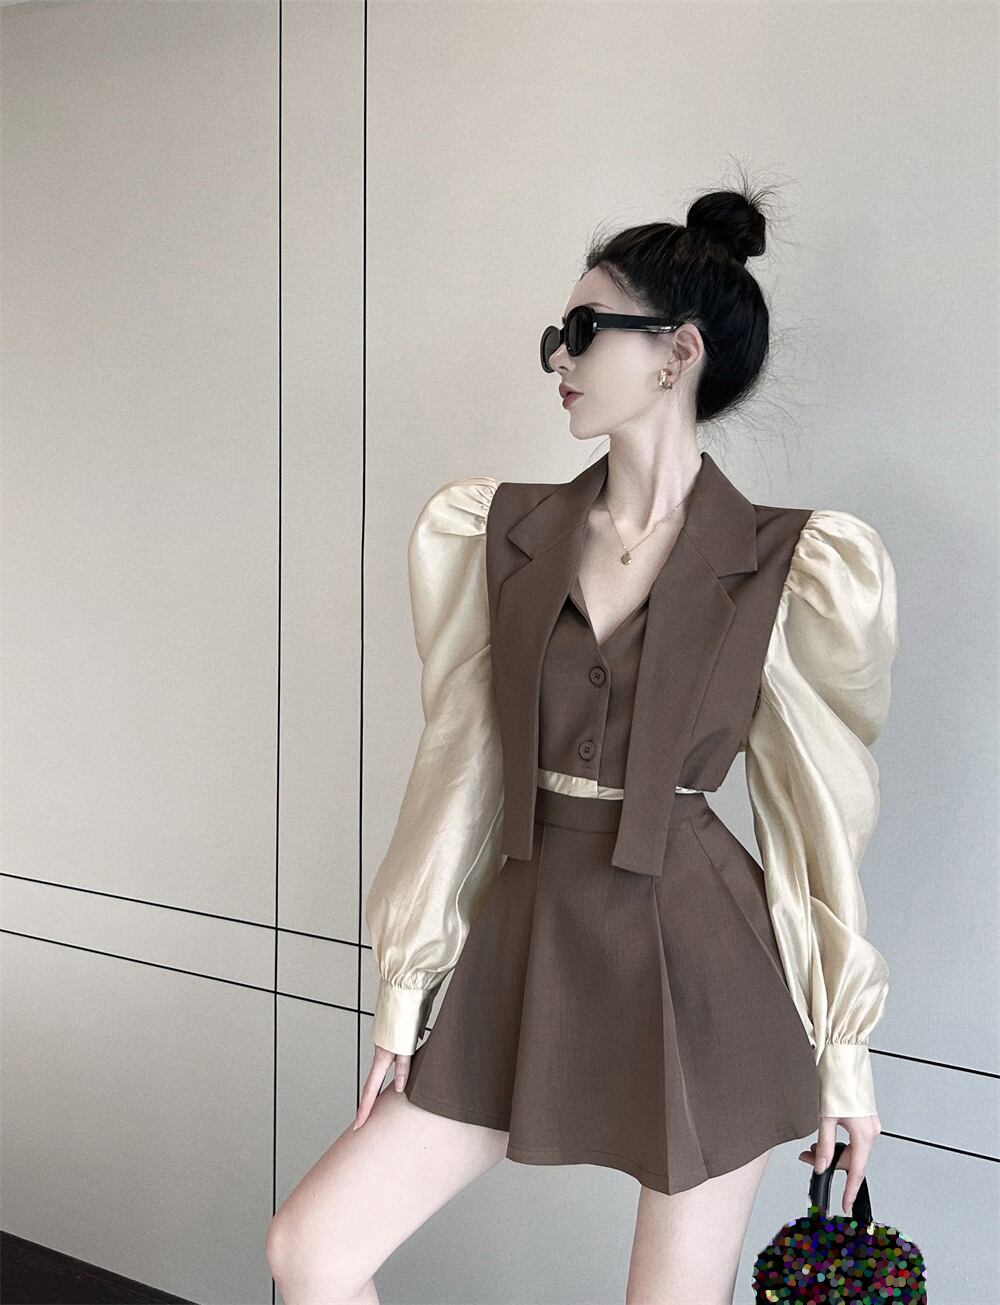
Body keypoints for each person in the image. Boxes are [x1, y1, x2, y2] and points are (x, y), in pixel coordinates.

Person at [266, 183, 899, 1305]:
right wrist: (407, 989)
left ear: (676, 354)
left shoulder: (792, 564)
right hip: (523, 933)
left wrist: (844, 1054)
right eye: (557, 333)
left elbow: (814, 824)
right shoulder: (498, 532)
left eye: (585, 328)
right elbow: (458, 769)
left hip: (702, 962)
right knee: (312, 1251)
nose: (559, 354)